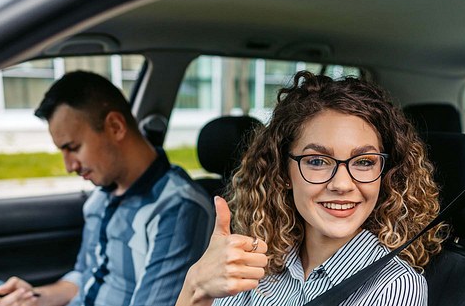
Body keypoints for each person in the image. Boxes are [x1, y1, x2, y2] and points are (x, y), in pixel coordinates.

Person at [0, 71, 214, 306]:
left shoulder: (177, 210)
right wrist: (33, 298)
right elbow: (83, 276)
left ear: (114, 126)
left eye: (73, 147)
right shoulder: (102, 194)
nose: (69, 166)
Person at [176, 71, 446, 306]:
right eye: (317, 161)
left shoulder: (395, 286)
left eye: (364, 162)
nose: (342, 184)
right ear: (283, 172)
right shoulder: (257, 264)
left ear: (384, 174)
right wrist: (195, 286)